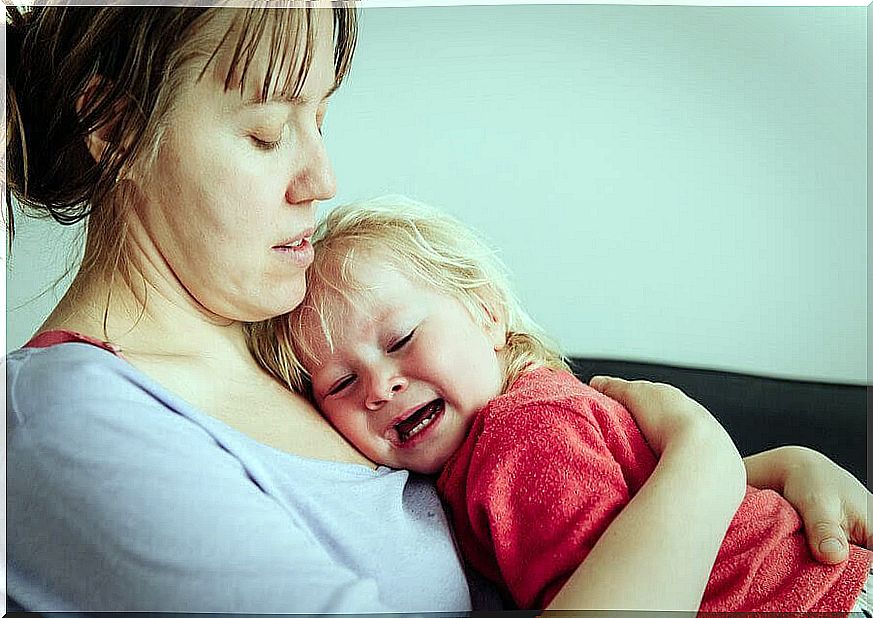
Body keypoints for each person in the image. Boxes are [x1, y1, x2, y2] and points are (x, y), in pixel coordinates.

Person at [4, 4, 869, 613]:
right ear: (112, 128)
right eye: (267, 133)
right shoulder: (73, 423)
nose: (321, 180)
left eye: (321, 121)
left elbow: (578, 501)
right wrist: (703, 463)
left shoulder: (281, 341)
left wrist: (774, 475)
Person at [250, 198, 872, 612]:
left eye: (402, 340)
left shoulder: (524, 432)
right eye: (340, 385)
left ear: (488, 314)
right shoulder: (482, 455)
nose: (381, 386)